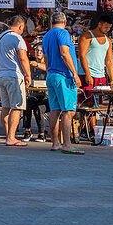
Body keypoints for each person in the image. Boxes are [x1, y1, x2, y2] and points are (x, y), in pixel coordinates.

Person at [42, 11, 84, 154]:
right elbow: (65, 53)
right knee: (68, 111)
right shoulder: (64, 34)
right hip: (64, 76)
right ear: (65, 22)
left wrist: (49, 71)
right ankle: (67, 144)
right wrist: (75, 74)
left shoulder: (47, 36)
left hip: (52, 75)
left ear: (51, 22)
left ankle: (55, 143)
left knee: (55, 110)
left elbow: (46, 57)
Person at [0, 15, 32, 146]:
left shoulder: (0, 37)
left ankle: (8, 135)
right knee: (17, 107)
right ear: (21, 26)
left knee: (5, 107)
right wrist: (28, 74)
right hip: (14, 75)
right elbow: (23, 58)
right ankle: (11, 137)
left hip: (1, 75)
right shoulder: (17, 38)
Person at [77, 14, 113, 103]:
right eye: (106, 27)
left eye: (109, 27)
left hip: (100, 76)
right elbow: (82, 56)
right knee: (85, 104)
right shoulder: (86, 36)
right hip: (86, 74)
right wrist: (87, 74)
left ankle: (95, 118)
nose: (108, 30)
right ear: (99, 24)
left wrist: (112, 80)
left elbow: (109, 61)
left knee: (97, 105)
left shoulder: (108, 41)